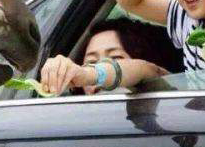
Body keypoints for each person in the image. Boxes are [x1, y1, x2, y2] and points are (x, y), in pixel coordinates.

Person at [39, 18, 179, 95]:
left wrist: (89, 74)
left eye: (116, 58)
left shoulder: (164, 86)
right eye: (91, 62)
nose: (100, 66)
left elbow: (144, 69)